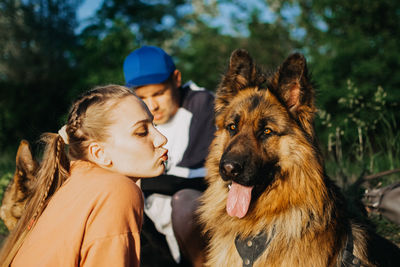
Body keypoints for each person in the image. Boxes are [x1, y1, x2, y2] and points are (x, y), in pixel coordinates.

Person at [0, 85, 168, 267]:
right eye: (142, 132)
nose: (161, 139)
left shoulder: (73, 184)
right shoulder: (115, 190)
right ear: (99, 153)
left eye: (154, 125)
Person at [123, 46, 215, 266]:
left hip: (196, 223)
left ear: (176, 79)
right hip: (153, 227)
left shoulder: (202, 103)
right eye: (142, 96)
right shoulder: (131, 117)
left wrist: (134, 180)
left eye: (159, 93)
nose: (152, 105)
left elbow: (192, 177)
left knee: (184, 201)